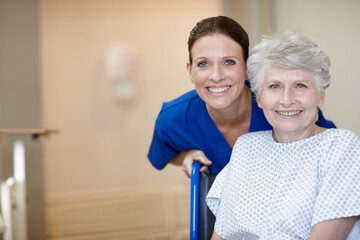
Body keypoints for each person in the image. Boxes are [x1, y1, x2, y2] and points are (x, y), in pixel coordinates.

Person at [206, 31, 360, 240]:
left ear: (320, 95)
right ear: (259, 97)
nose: (287, 100)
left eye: (300, 85)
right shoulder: (246, 147)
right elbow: (222, 233)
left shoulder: (340, 147)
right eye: (275, 86)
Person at [147, 16, 335, 177]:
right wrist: (186, 156)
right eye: (203, 64)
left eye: (229, 62)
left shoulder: (281, 107)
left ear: (247, 69)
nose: (216, 76)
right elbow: (166, 153)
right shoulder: (173, 119)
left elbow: (328, 147)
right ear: (190, 71)